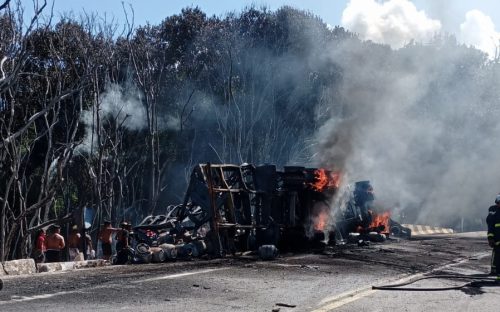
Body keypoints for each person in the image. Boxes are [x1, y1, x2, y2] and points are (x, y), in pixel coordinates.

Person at [487, 194, 500, 276]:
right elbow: (490, 226)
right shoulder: (493, 211)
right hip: (497, 238)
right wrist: (490, 238)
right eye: (498, 203)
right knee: (496, 254)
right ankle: (494, 270)